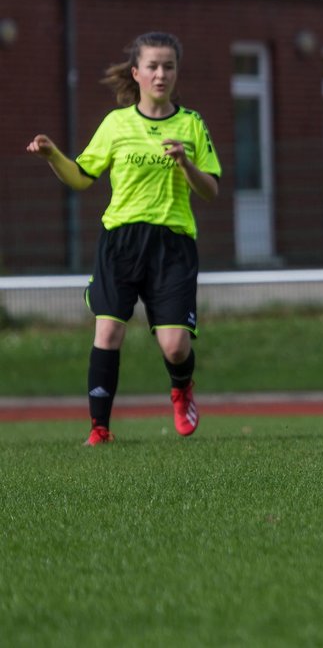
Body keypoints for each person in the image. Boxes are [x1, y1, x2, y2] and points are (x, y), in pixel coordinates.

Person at [26, 31, 221, 446]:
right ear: (136, 73)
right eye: (152, 66)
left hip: (172, 244)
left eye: (168, 65)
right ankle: (99, 429)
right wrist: (52, 156)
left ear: (176, 72)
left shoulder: (191, 123)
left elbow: (211, 190)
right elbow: (80, 177)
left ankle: (181, 387)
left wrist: (186, 163)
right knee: (109, 331)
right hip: (120, 242)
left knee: (174, 347)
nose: (160, 73)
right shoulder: (117, 124)